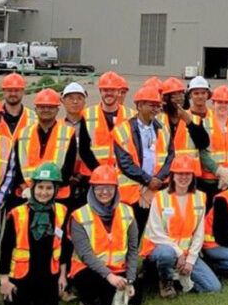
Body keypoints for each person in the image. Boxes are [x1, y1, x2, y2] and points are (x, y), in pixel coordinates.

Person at [0, 163, 68, 305]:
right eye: (40, 187)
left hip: (48, 276)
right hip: (21, 277)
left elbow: (64, 247)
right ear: (33, 187)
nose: (44, 192)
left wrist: (62, 276)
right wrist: (4, 280)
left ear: (55, 190)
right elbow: (5, 249)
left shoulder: (62, 211)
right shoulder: (17, 213)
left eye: (49, 188)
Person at [66, 166, 142, 305]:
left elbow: (133, 249)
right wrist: (110, 276)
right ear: (92, 189)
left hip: (118, 268)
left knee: (134, 301)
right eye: (99, 188)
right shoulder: (79, 215)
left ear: (116, 189)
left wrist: (131, 279)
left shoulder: (127, 211)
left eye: (109, 188)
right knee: (98, 291)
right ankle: (87, 301)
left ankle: (104, 296)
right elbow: (85, 254)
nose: (104, 192)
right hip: (89, 269)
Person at [140, 155, 220, 297]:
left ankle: (179, 276)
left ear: (192, 175)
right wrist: (178, 252)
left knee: (213, 287)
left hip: (186, 254)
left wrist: (190, 261)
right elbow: (155, 232)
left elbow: (199, 234)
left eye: (187, 173)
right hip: (161, 251)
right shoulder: (160, 197)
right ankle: (164, 281)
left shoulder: (200, 197)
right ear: (172, 175)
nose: (183, 177)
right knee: (166, 254)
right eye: (179, 173)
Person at [113, 83, 175, 234]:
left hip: (156, 189)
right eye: (151, 105)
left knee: (155, 232)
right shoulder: (122, 129)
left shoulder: (163, 129)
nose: (155, 109)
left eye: (158, 106)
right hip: (131, 193)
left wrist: (156, 180)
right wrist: (148, 181)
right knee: (129, 233)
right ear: (139, 105)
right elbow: (125, 163)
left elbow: (170, 157)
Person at [12, 88, 82, 207]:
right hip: (27, 194)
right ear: (35, 109)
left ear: (57, 110)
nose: (46, 110)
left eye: (50, 107)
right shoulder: (23, 133)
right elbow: (17, 165)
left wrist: (49, 191)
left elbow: (68, 168)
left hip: (58, 195)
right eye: (42, 107)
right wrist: (28, 189)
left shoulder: (68, 133)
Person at [83, 72, 136, 169]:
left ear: (119, 92)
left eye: (112, 90)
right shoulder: (85, 115)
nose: (109, 93)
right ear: (100, 91)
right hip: (94, 175)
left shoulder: (132, 116)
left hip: (123, 174)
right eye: (105, 90)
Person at [159, 77, 209, 177]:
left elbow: (204, 143)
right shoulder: (157, 120)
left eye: (181, 94)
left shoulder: (194, 119)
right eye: (174, 95)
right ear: (165, 99)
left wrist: (189, 122)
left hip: (188, 174)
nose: (179, 98)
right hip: (163, 175)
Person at [0, 72, 32, 141]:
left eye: (16, 90)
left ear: (23, 91)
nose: (13, 94)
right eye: (9, 90)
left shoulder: (34, 119)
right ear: (3, 91)